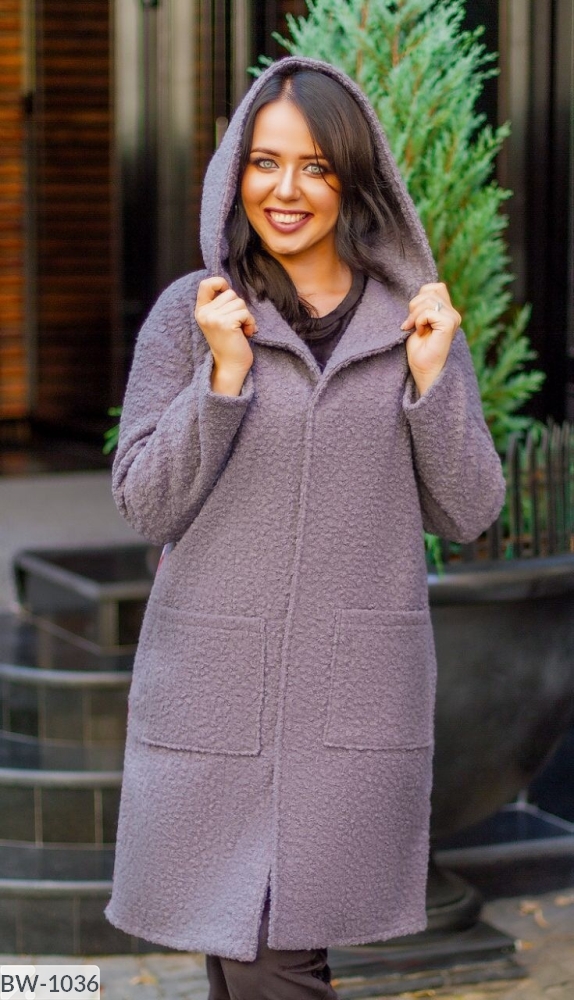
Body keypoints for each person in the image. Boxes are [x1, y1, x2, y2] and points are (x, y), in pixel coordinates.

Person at [106, 56, 505, 999]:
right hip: (215, 697)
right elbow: (146, 503)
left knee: (271, 958)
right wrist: (222, 380)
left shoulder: (413, 327)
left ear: (354, 180)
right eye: (265, 162)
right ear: (234, 174)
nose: (285, 190)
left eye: (316, 167)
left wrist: (434, 383)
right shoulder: (193, 317)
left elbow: (470, 509)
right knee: (249, 958)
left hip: (349, 701)